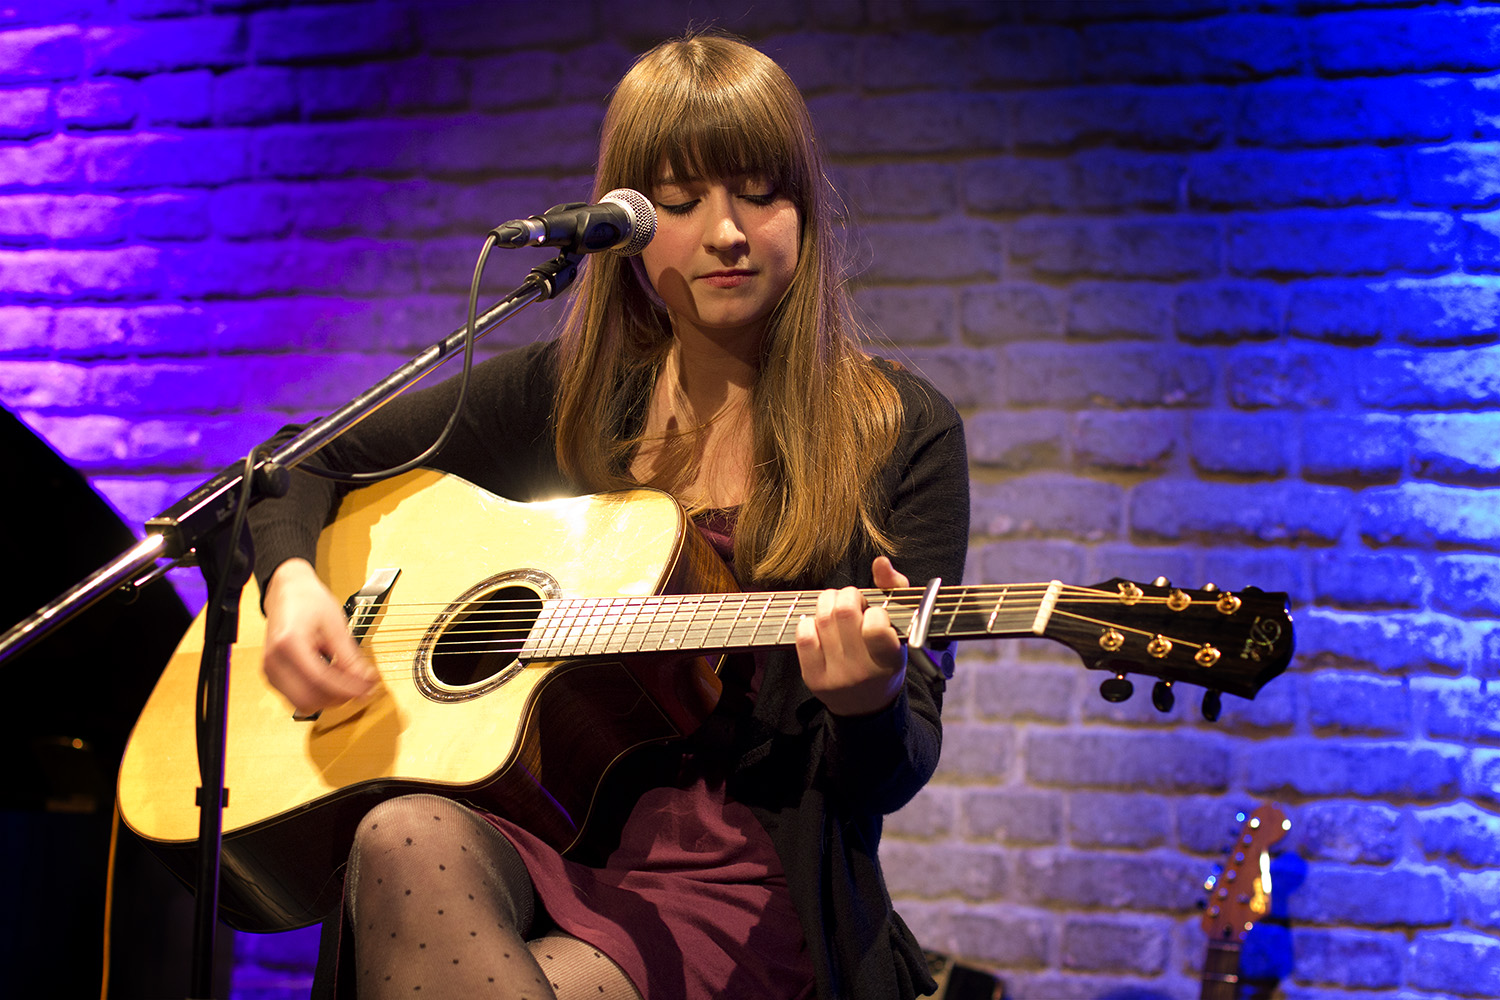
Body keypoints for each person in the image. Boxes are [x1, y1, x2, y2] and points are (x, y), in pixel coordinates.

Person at [248, 31, 969, 1000]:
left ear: (805, 208)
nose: (727, 231)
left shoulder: (898, 427)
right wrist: (293, 585)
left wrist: (869, 702)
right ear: (626, 229)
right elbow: (296, 463)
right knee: (398, 831)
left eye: (760, 192)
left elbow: (897, 766)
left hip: (739, 875)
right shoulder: (567, 396)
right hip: (546, 827)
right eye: (681, 201)